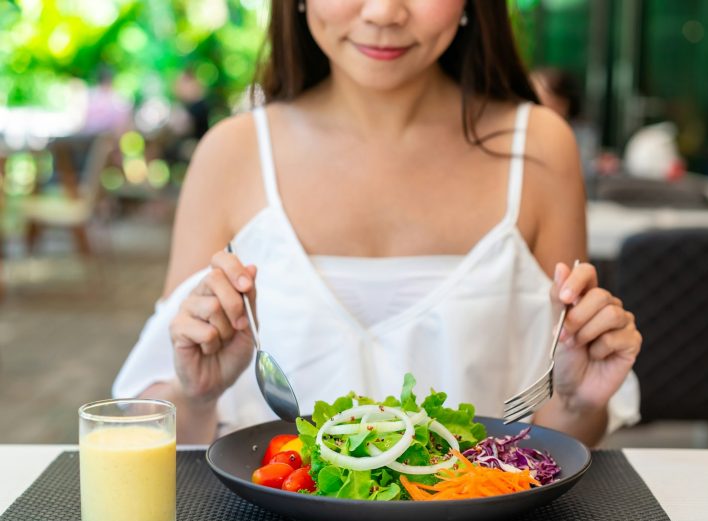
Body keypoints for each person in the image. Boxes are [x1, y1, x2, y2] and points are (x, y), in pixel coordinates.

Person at [114, 1, 642, 446]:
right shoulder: (231, 154)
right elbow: (154, 433)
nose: (385, 12)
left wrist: (574, 400)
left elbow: (558, 448)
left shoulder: (540, 148)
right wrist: (198, 394)